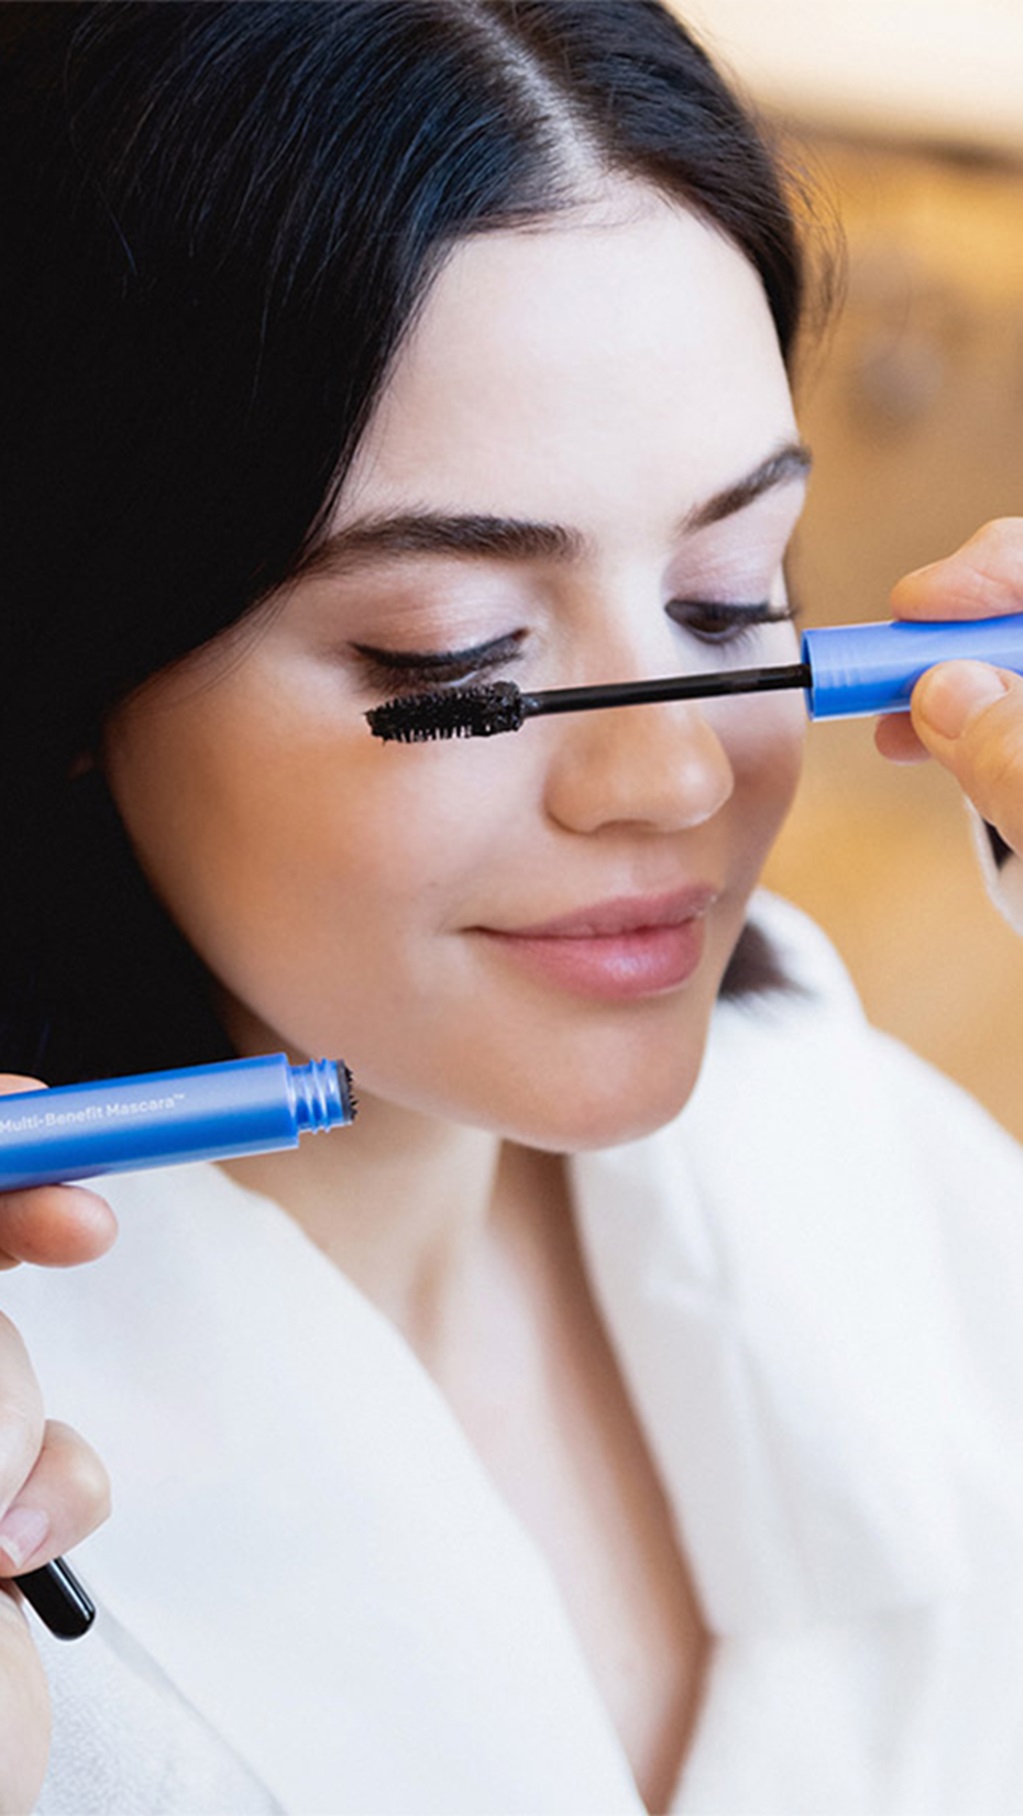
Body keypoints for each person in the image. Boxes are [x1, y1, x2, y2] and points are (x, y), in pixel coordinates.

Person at [1, 2, 1022, 1810]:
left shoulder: (870, 1159)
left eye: (730, 594)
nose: (676, 775)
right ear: (72, 649)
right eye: (454, 654)